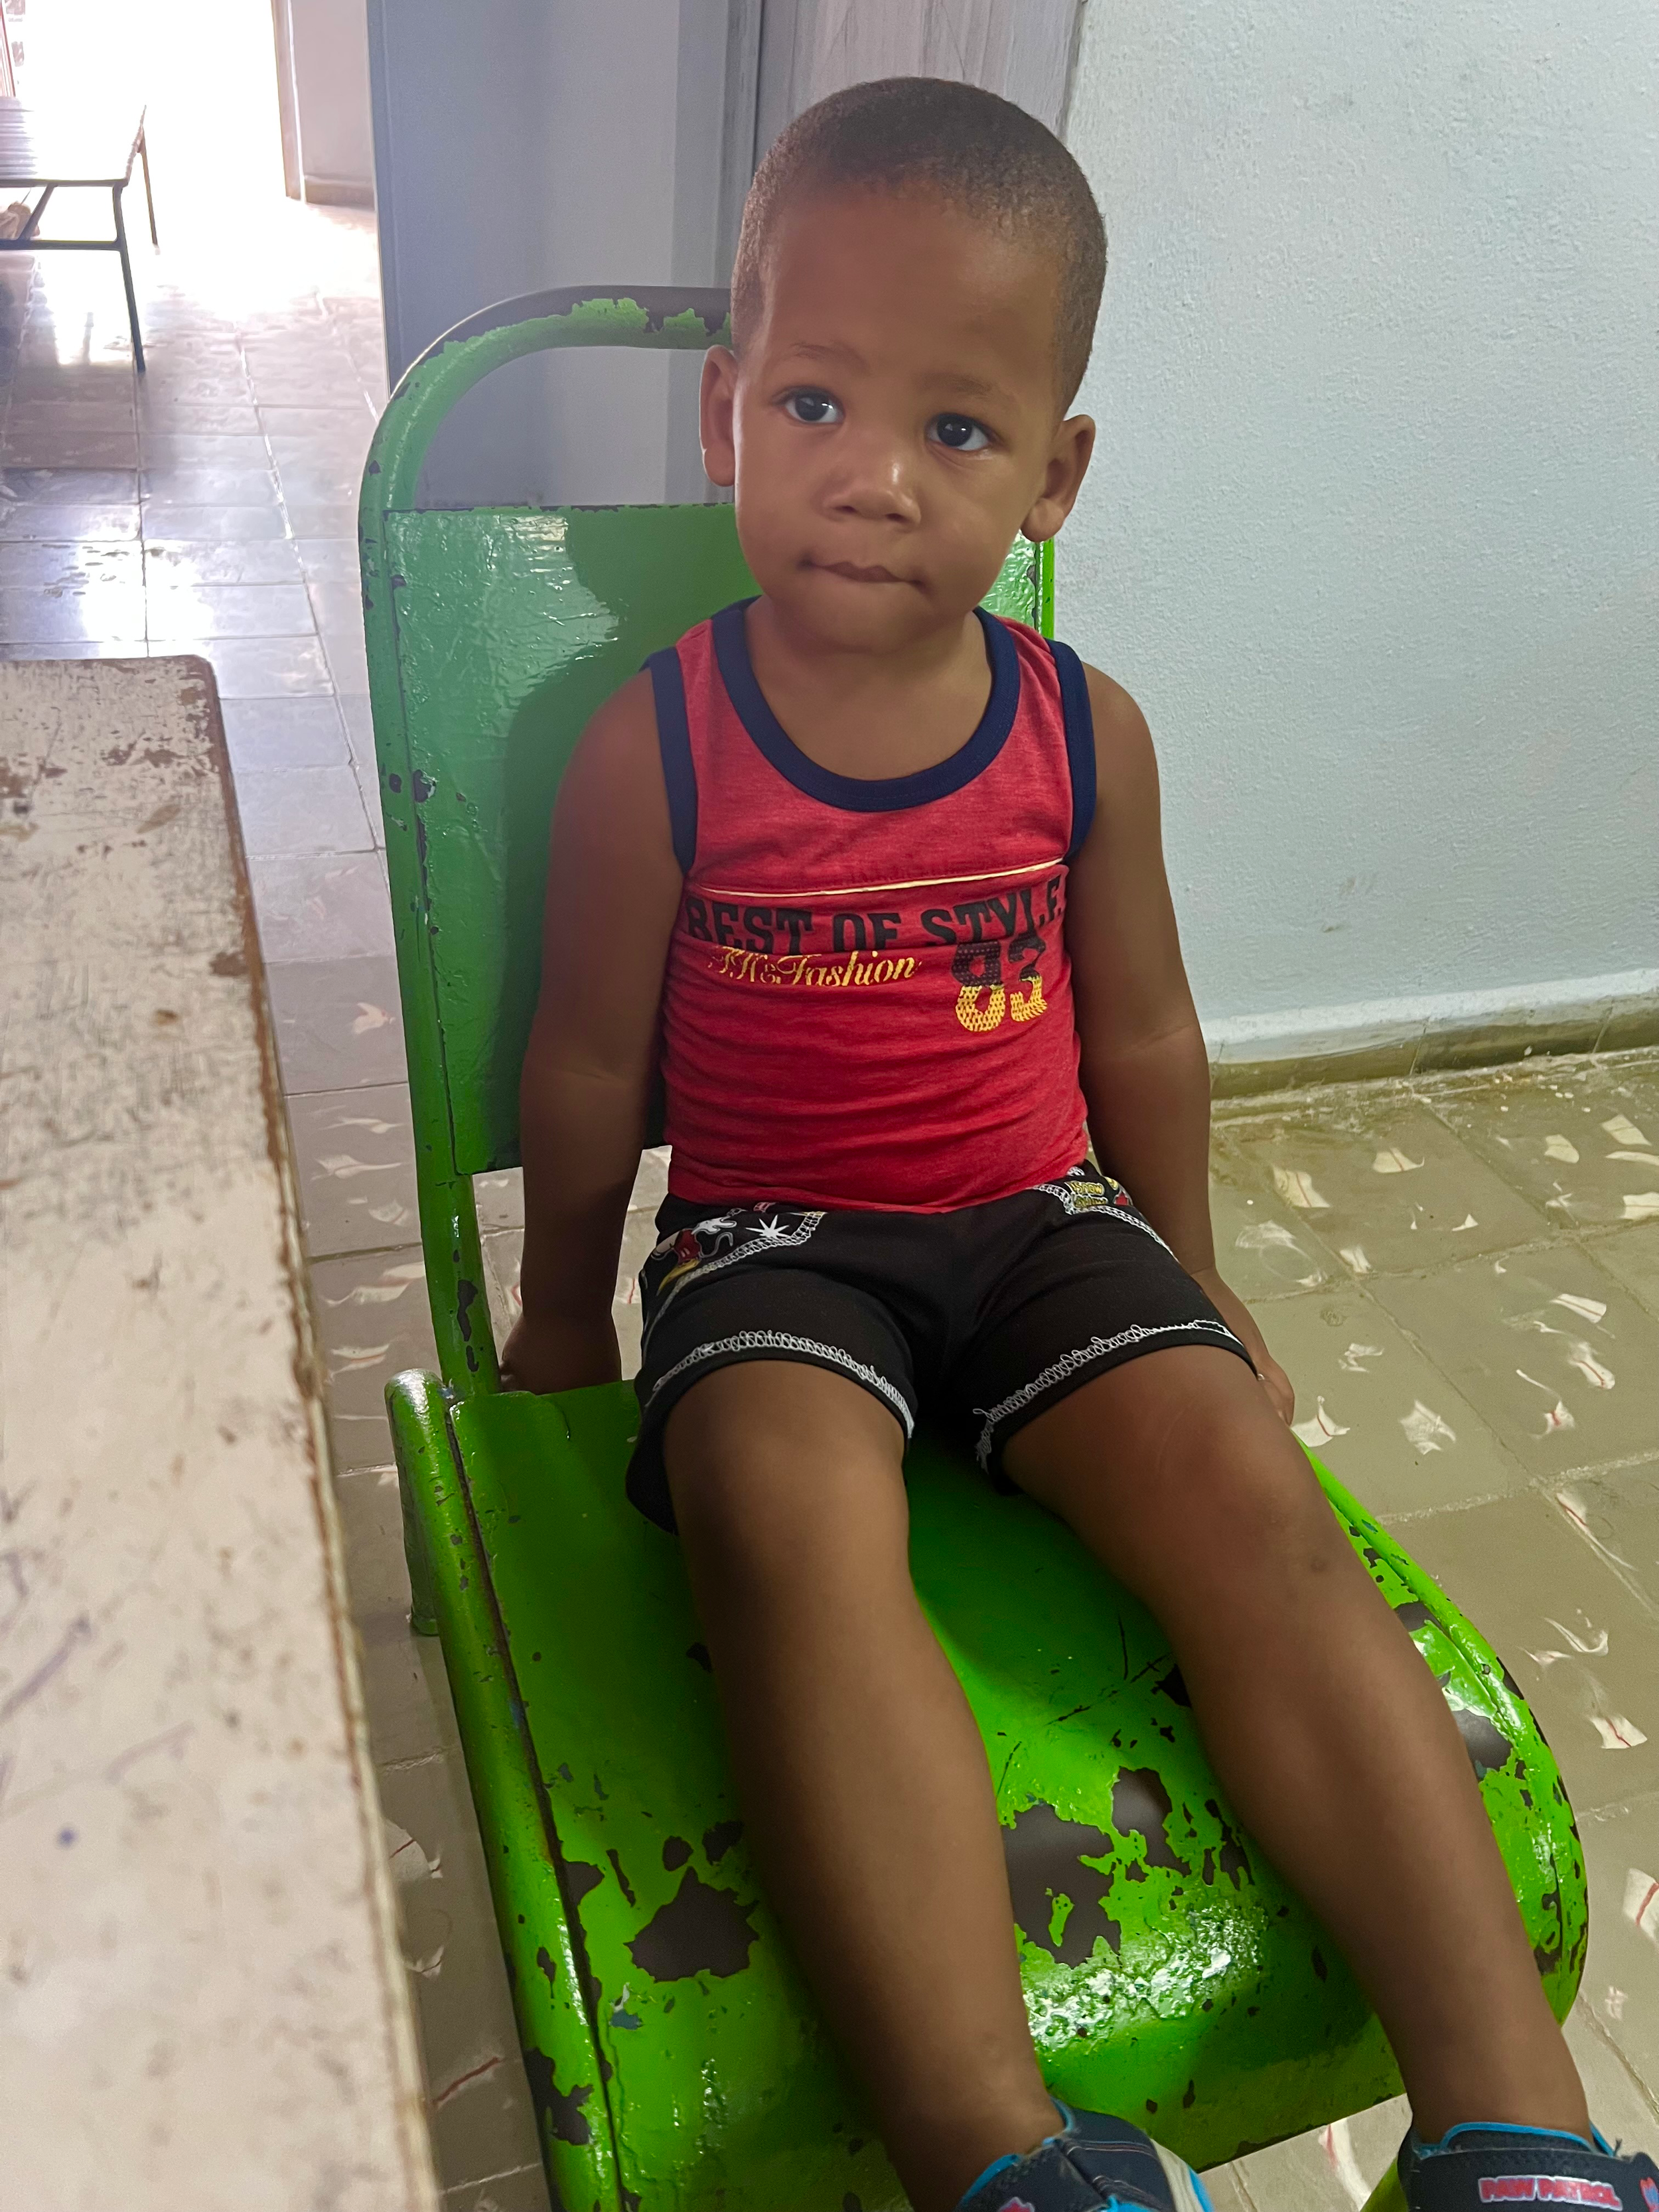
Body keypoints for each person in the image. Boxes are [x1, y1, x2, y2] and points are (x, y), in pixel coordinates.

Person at [501, 76, 1654, 2212]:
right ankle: (1003, 2150)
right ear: (721, 418)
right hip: (772, 1247)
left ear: (1054, 473)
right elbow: (582, 1069)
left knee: (1249, 1492)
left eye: (954, 429)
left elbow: (1135, 1025)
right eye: (818, 402)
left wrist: (1194, 1264)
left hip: (1043, 1225)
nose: (872, 477)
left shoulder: (1078, 730)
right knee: (777, 1523)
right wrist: (565, 1309)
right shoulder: (648, 741)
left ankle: (1516, 2132)